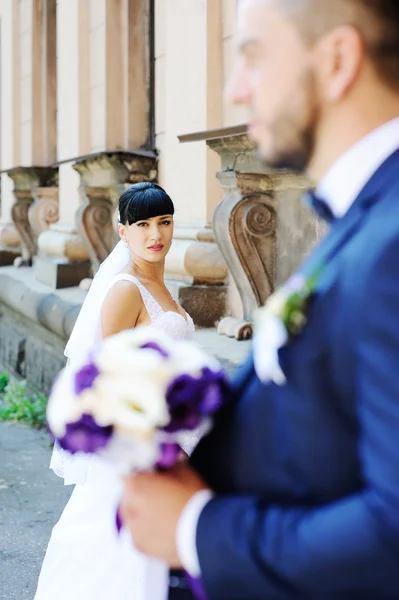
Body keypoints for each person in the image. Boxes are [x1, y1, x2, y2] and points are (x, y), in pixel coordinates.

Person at [119, 1, 399, 598]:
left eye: (251, 55)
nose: (236, 90)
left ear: (338, 59)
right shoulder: (361, 220)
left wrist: (196, 531)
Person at [35, 182, 195, 600]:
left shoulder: (161, 284)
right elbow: (108, 379)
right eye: (142, 225)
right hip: (142, 441)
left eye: (164, 222)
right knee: (118, 554)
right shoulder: (126, 289)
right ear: (123, 233)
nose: (155, 235)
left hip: (173, 432)